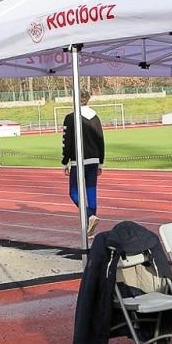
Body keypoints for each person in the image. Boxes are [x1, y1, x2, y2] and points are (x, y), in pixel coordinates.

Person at [61, 92, 106, 237]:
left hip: (78, 160)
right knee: (91, 191)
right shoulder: (95, 117)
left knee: (73, 192)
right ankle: (90, 229)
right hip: (94, 160)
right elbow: (101, 140)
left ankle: (89, 216)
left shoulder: (71, 117)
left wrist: (64, 162)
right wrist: (100, 162)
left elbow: (66, 141)